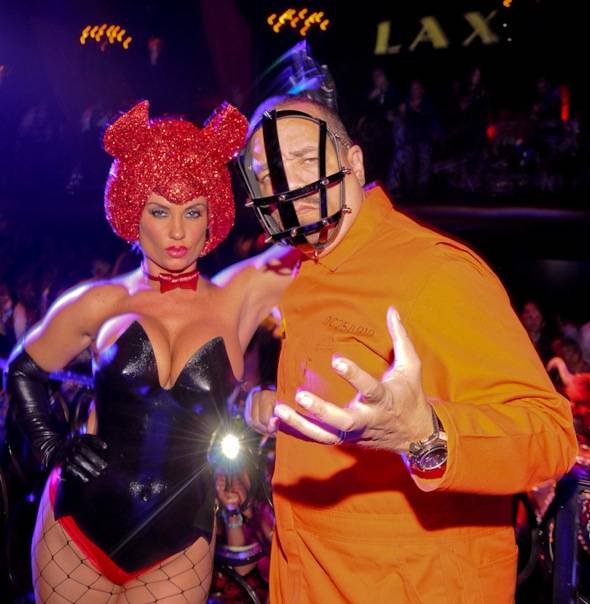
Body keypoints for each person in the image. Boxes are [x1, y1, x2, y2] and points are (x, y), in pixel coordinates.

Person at [218, 94, 577, 602]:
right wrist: (272, 403)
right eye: (267, 174)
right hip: (313, 579)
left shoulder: (434, 271)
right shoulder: (308, 268)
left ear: (354, 162)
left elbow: (550, 435)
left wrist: (425, 435)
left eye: (303, 159)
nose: (288, 185)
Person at [4, 99, 279, 603]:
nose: (177, 232)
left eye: (192, 212)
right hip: (76, 530)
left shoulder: (237, 297)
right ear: (133, 212)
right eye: (159, 211)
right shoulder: (101, 302)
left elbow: (321, 246)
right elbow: (23, 369)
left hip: (180, 545)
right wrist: (51, 444)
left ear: (212, 215)